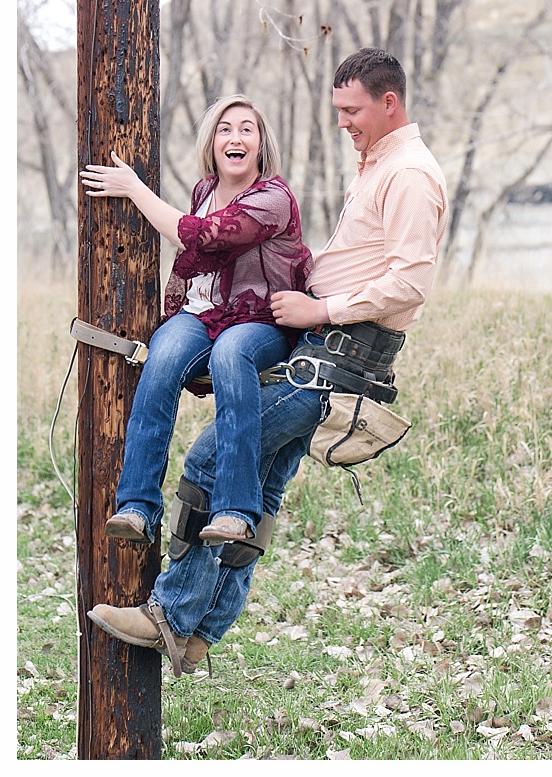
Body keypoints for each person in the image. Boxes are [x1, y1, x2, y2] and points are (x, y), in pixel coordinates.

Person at [88, 47, 448, 676]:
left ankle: (171, 613)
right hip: (321, 349)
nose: (342, 122)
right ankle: (202, 632)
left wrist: (322, 309)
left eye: (351, 110)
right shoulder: (377, 166)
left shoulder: (409, 174)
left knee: (211, 460)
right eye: (337, 110)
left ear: (389, 103)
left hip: (339, 354)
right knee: (264, 483)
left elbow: (410, 284)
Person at [79, 95, 312, 549]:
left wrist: (133, 187)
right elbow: (198, 258)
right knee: (162, 356)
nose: (236, 137)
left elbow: (201, 235)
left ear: (262, 144)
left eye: (247, 128)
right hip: (204, 313)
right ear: (212, 142)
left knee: (231, 354)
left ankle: (235, 511)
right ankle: (138, 506)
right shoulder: (205, 191)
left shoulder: (272, 198)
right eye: (225, 129)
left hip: (260, 318)